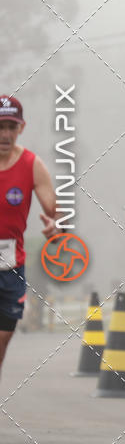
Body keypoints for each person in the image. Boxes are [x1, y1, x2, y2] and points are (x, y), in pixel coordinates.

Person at [0, 96, 56, 374]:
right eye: (0, 126)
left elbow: (54, 212)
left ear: (20, 128)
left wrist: (54, 227)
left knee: (2, 341)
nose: (5, 134)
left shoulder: (32, 165)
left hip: (11, 265)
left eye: (11, 127)